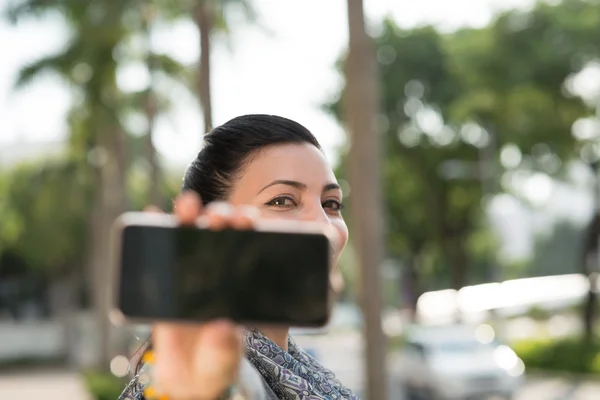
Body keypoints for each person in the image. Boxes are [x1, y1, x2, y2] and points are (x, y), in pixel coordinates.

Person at [118, 114, 359, 400]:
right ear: (212, 227)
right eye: (282, 201)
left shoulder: (304, 370)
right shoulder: (209, 377)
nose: (324, 225)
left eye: (331, 203)